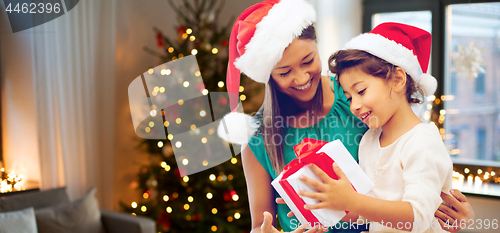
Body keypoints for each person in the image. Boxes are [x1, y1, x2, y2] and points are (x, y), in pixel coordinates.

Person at [216, 1, 474, 232]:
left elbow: (414, 173)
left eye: (308, 61)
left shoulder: (356, 94)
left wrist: (454, 213)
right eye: (284, 72)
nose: (302, 78)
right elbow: (261, 225)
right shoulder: (259, 137)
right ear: (268, 75)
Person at [295, 22, 467, 232]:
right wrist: (320, 201)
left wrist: (352, 201)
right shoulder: (369, 140)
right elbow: (366, 212)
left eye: (361, 91)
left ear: (397, 80)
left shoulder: (422, 141)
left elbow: (418, 217)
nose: (354, 106)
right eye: (349, 98)